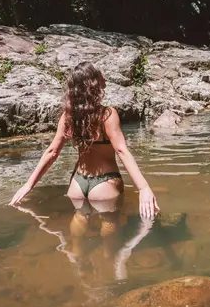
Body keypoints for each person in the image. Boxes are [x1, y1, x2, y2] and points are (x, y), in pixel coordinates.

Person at [9, 61, 160, 219]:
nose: (104, 77)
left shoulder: (69, 116)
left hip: (78, 184)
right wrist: (143, 188)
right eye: (100, 74)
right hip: (105, 183)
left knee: (79, 222)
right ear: (94, 83)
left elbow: (52, 152)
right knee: (109, 226)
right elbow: (121, 150)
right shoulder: (107, 114)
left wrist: (29, 185)